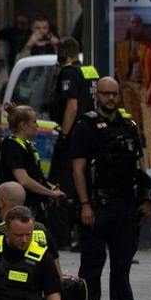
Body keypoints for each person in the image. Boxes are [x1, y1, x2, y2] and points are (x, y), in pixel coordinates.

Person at [70, 76, 151, 300]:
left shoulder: (128, 125)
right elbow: (78, 169)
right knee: (92, 266)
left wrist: (145, 199)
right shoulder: (85, 126)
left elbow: (140, 165)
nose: (111, 98)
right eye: (106, 94)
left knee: (122, 266)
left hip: (126, 204)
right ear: (97, 95)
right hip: (97, 204)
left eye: (115, 94)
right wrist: (85, 204)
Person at [42, 37, 98, 250]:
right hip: (90, 136)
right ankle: (83, 236)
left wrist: (64, 136)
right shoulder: (90, 71)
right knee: (83, 184)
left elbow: (72, 106)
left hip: (73, 137)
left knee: (60, 186)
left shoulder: (68, 72)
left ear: (63, 53)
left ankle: (60, 238)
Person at [0, 106, 66, 238]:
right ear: (23, 125)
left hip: (28, 208)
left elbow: (35, 175)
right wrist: (50, 193)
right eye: (34, 122)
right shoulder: (12, 147)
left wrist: (49, 186)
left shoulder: (26, 145)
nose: (37, 125)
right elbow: (24, 180)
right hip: (14, 211)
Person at [114, 14, 151, 163]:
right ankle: (133, 161)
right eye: (132, 23)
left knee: (149, 127)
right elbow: (118, 68)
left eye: (138, 24)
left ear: (142, 26)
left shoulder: (149, 47)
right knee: (131, 125)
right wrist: (122, 83)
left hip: (144, 87)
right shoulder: (122, 47)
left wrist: (150, 90)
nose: (135, 26)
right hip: (128, 86)